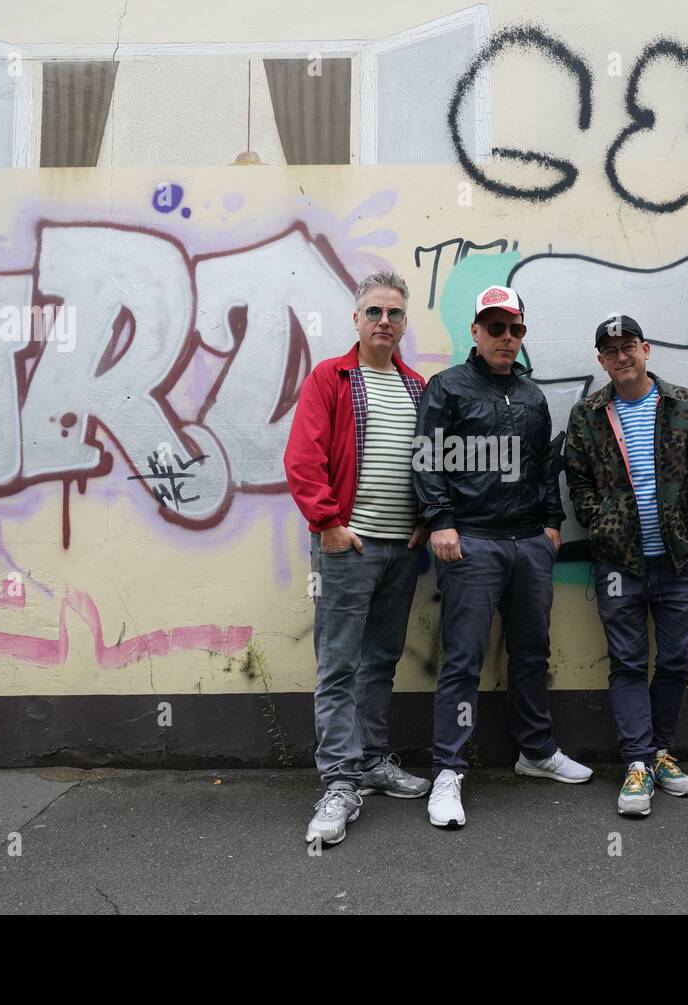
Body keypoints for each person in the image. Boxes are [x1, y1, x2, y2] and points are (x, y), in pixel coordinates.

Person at [414, 285, 593, 830]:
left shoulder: (533, 396)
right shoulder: (447, 388)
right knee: (463, 660)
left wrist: (551, 526)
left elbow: (543, 466)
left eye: (514, 329)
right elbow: (426, 459)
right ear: (475, 332)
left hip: (528, 545)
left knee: (532, 651)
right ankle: (448, 770)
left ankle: (535, 752)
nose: (506, 338)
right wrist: (441, 521)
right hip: (472, 542)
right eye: (495, 328)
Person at [284, 271, 431, 846]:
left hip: (403, 550)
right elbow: (303, 457)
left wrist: (425, 520)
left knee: (381, 659)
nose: (384, 322)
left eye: (394, 313)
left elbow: (430, 462)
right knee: (339, 663)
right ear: (356, 318)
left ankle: (370, 760)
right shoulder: (331, 377)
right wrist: (328, 524)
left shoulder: (418, 386)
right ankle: (340, 782)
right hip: (350, 546)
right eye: (374, 312)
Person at [563, 314, 688, 816]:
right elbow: (579, 485)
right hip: (618, 565)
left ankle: (661, 753)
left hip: (679, 564)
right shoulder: (588, 415)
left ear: (646, 349)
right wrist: (605, 525)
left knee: (673, 663)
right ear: (601, 360)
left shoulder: (685, 405)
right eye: (611, 350)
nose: (621, 356)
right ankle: (636, 764)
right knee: (628, 664)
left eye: (629, 346)